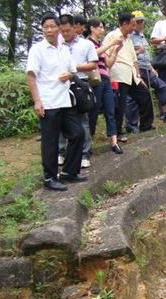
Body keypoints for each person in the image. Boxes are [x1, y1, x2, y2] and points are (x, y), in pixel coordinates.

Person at [26, 13, 87, 191]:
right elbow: (31, 76)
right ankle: (50, 178)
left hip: (65, 100)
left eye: (53, 26)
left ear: (59, 28)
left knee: (77, 134)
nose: (50, 30)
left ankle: (69, 172)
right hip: (48, 102)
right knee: (50, 141)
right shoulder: (37, 50)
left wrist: (69, 75)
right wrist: (37, 101)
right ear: (43, 29)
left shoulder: (63, 49)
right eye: (46, 27)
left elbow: (72, 71)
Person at [103, 11, 155, 147]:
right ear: (124, 24)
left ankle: (146, 125)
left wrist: (138, 75)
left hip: (132, 73)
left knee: (144, 94)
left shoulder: (129, 39)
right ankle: (117, 132)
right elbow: (105, 55)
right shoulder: (112, 36)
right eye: (132, 25)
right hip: (118, 73)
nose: (133, 28)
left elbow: (134, 59)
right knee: (120, 104)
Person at [57, 14, 98, 169]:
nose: (65, 34)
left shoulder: (85, 44)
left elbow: (93, 64)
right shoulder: (58, 45)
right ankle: (60, 152)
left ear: (75, 27)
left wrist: (73, 68)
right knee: (61, 118)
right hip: (62, 84)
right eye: (62, 31)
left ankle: (85, 153)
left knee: (83, 119)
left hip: (80, 83)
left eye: (68, 30)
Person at [127, 10, 166, 125]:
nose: (141, 24)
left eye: (142, 21)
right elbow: (128, 56)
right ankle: (132, 124)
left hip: (147, 68)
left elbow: (146, 55)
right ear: (133, 23)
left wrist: (151, 67)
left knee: (163, 87)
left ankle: (164, 112)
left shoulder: (142, 36)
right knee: (137, 97)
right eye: (138, 21)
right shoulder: (129, 37)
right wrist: (138, 51)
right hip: (136, 69)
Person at [87, 18, 122, 154]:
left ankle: (114, 141)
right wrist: (111, 43)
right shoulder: (88, 43)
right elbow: (92, 54)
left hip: (106, 79)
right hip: (95, 80)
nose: (102, 30)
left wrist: (116, 49)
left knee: (110, 109)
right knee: (93, 111)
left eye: (102, 27)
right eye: (100, 27)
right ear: (92, 28)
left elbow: (108, 63)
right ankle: (88, 142)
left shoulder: (100, 44)